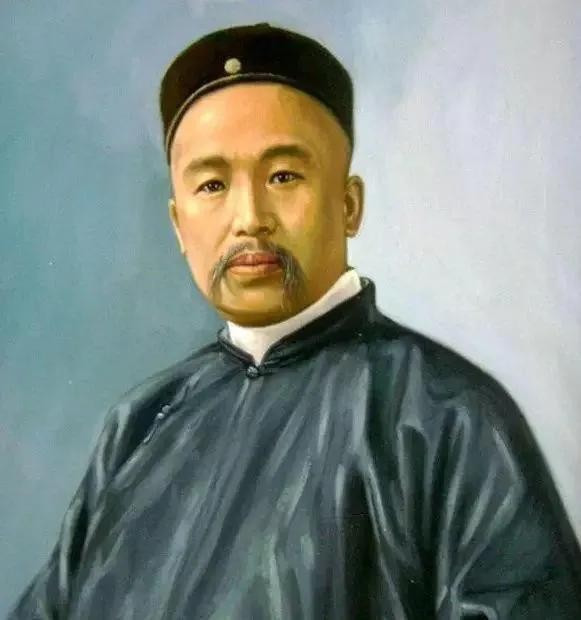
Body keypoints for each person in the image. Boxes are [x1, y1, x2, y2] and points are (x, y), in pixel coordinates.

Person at [9, 23, 581, 620]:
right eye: (212, 184)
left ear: (349, 204)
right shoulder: (138, 425)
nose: (249, 218)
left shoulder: (448, 415)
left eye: (283, 176)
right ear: (179, 225)